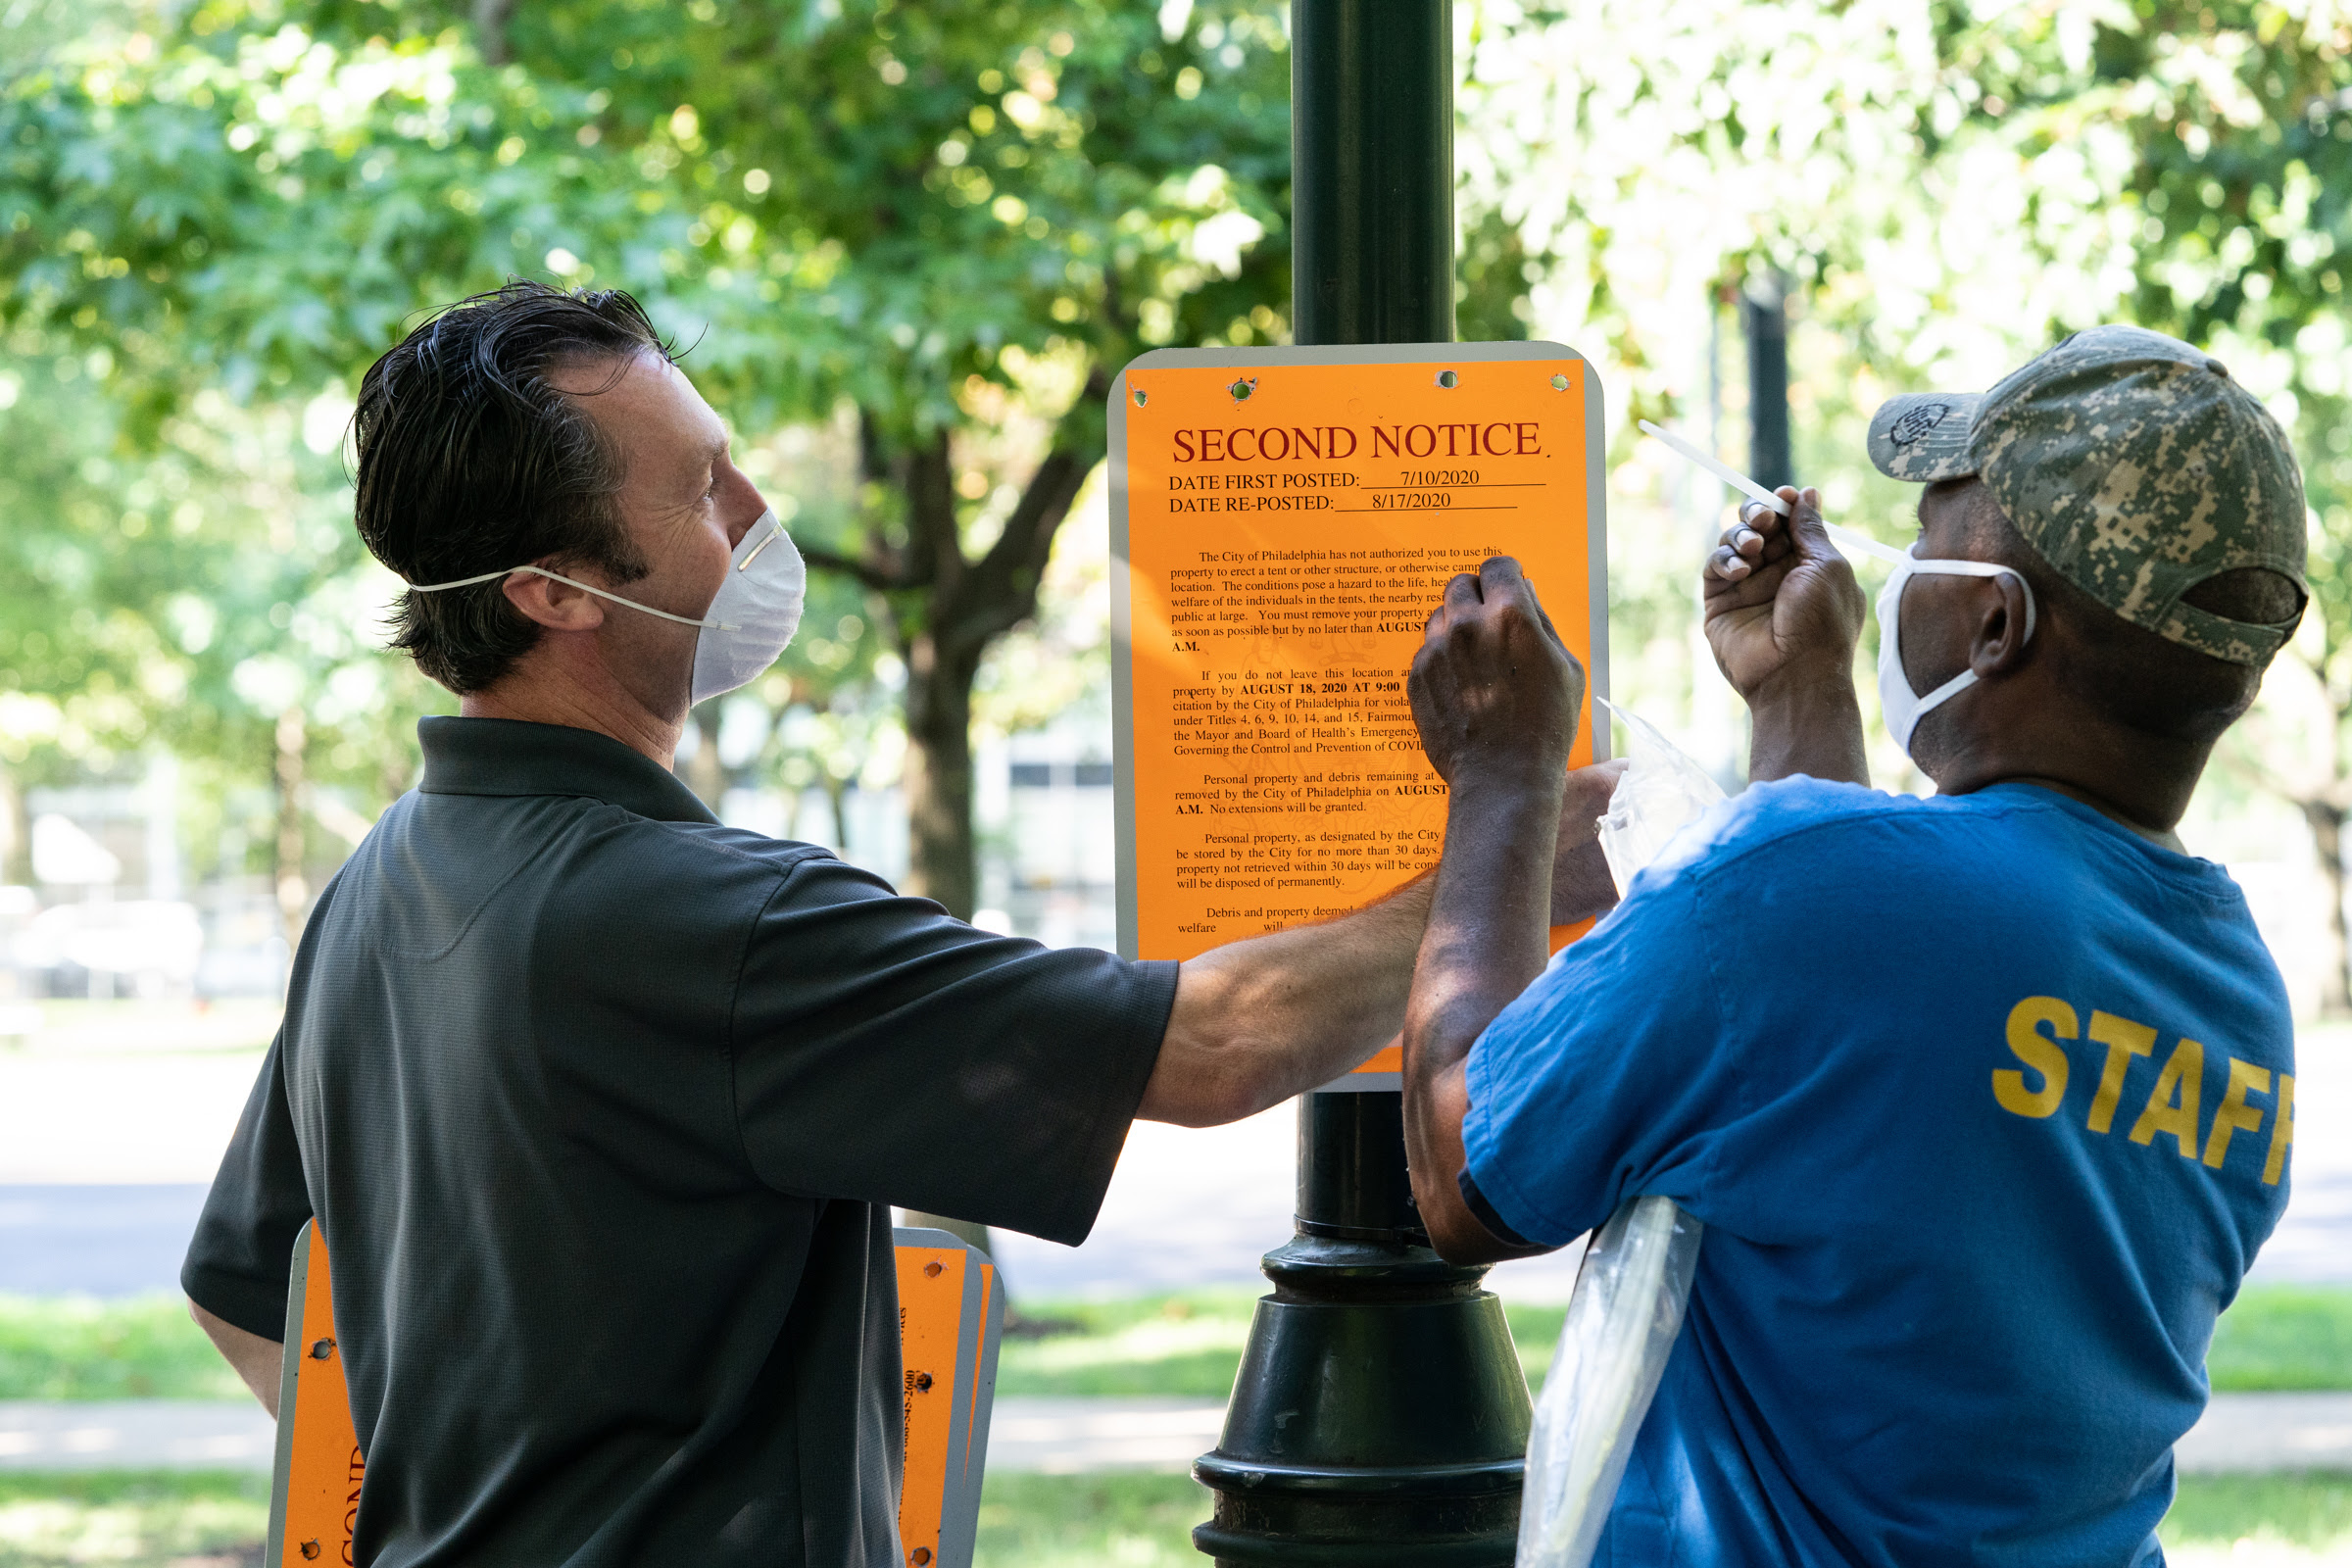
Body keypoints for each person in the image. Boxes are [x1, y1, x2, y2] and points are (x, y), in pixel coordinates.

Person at [180, 279, 1619, 1567]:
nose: (754, 514)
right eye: (698, 493)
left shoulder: (381, 882)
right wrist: (1522, 846)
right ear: (549, 593)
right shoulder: (706, 921)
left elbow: (248, 1294)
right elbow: (1213, 1047)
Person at [1398, 324, 2308, 1561]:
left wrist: (1501, 774)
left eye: (1921, 547)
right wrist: (1797, 694)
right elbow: (1822, 1087)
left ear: (1994, 626)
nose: (1895, 583)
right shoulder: (2235, 990)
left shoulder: (1819, 893)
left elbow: (1469, 1172)